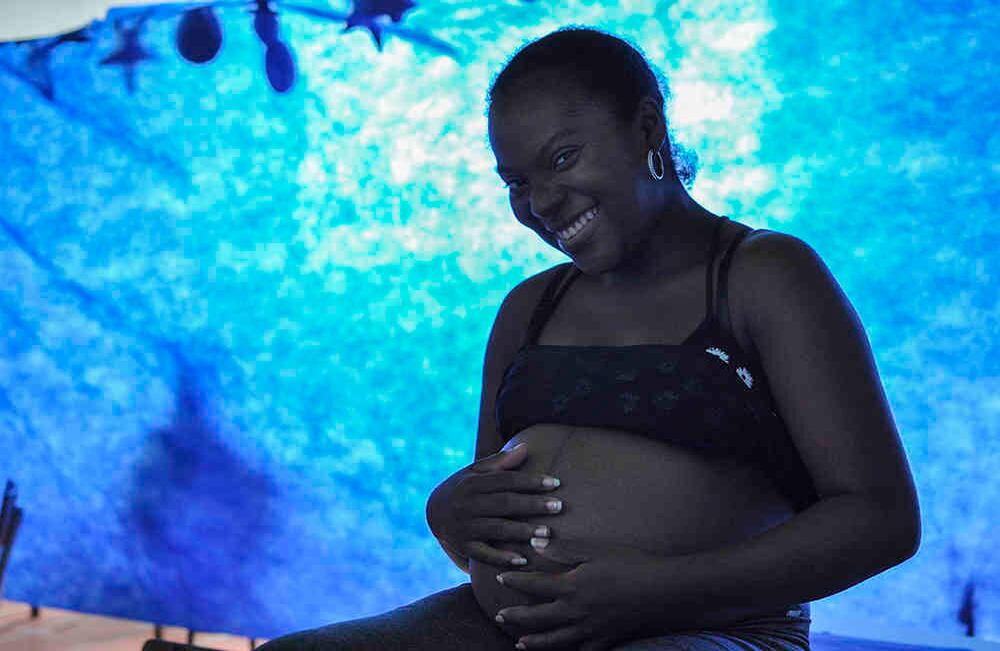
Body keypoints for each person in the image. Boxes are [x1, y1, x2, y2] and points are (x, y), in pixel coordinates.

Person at [258, 26, 920, 651]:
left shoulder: (762, 275)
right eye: (517, 182)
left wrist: (661, 592)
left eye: (562, 158)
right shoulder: (529, 308)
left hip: (722, 630)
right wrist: (447, 512)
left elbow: (881, 518)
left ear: (647, 129)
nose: (541, 201)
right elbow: (491, 506)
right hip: (513, 630)